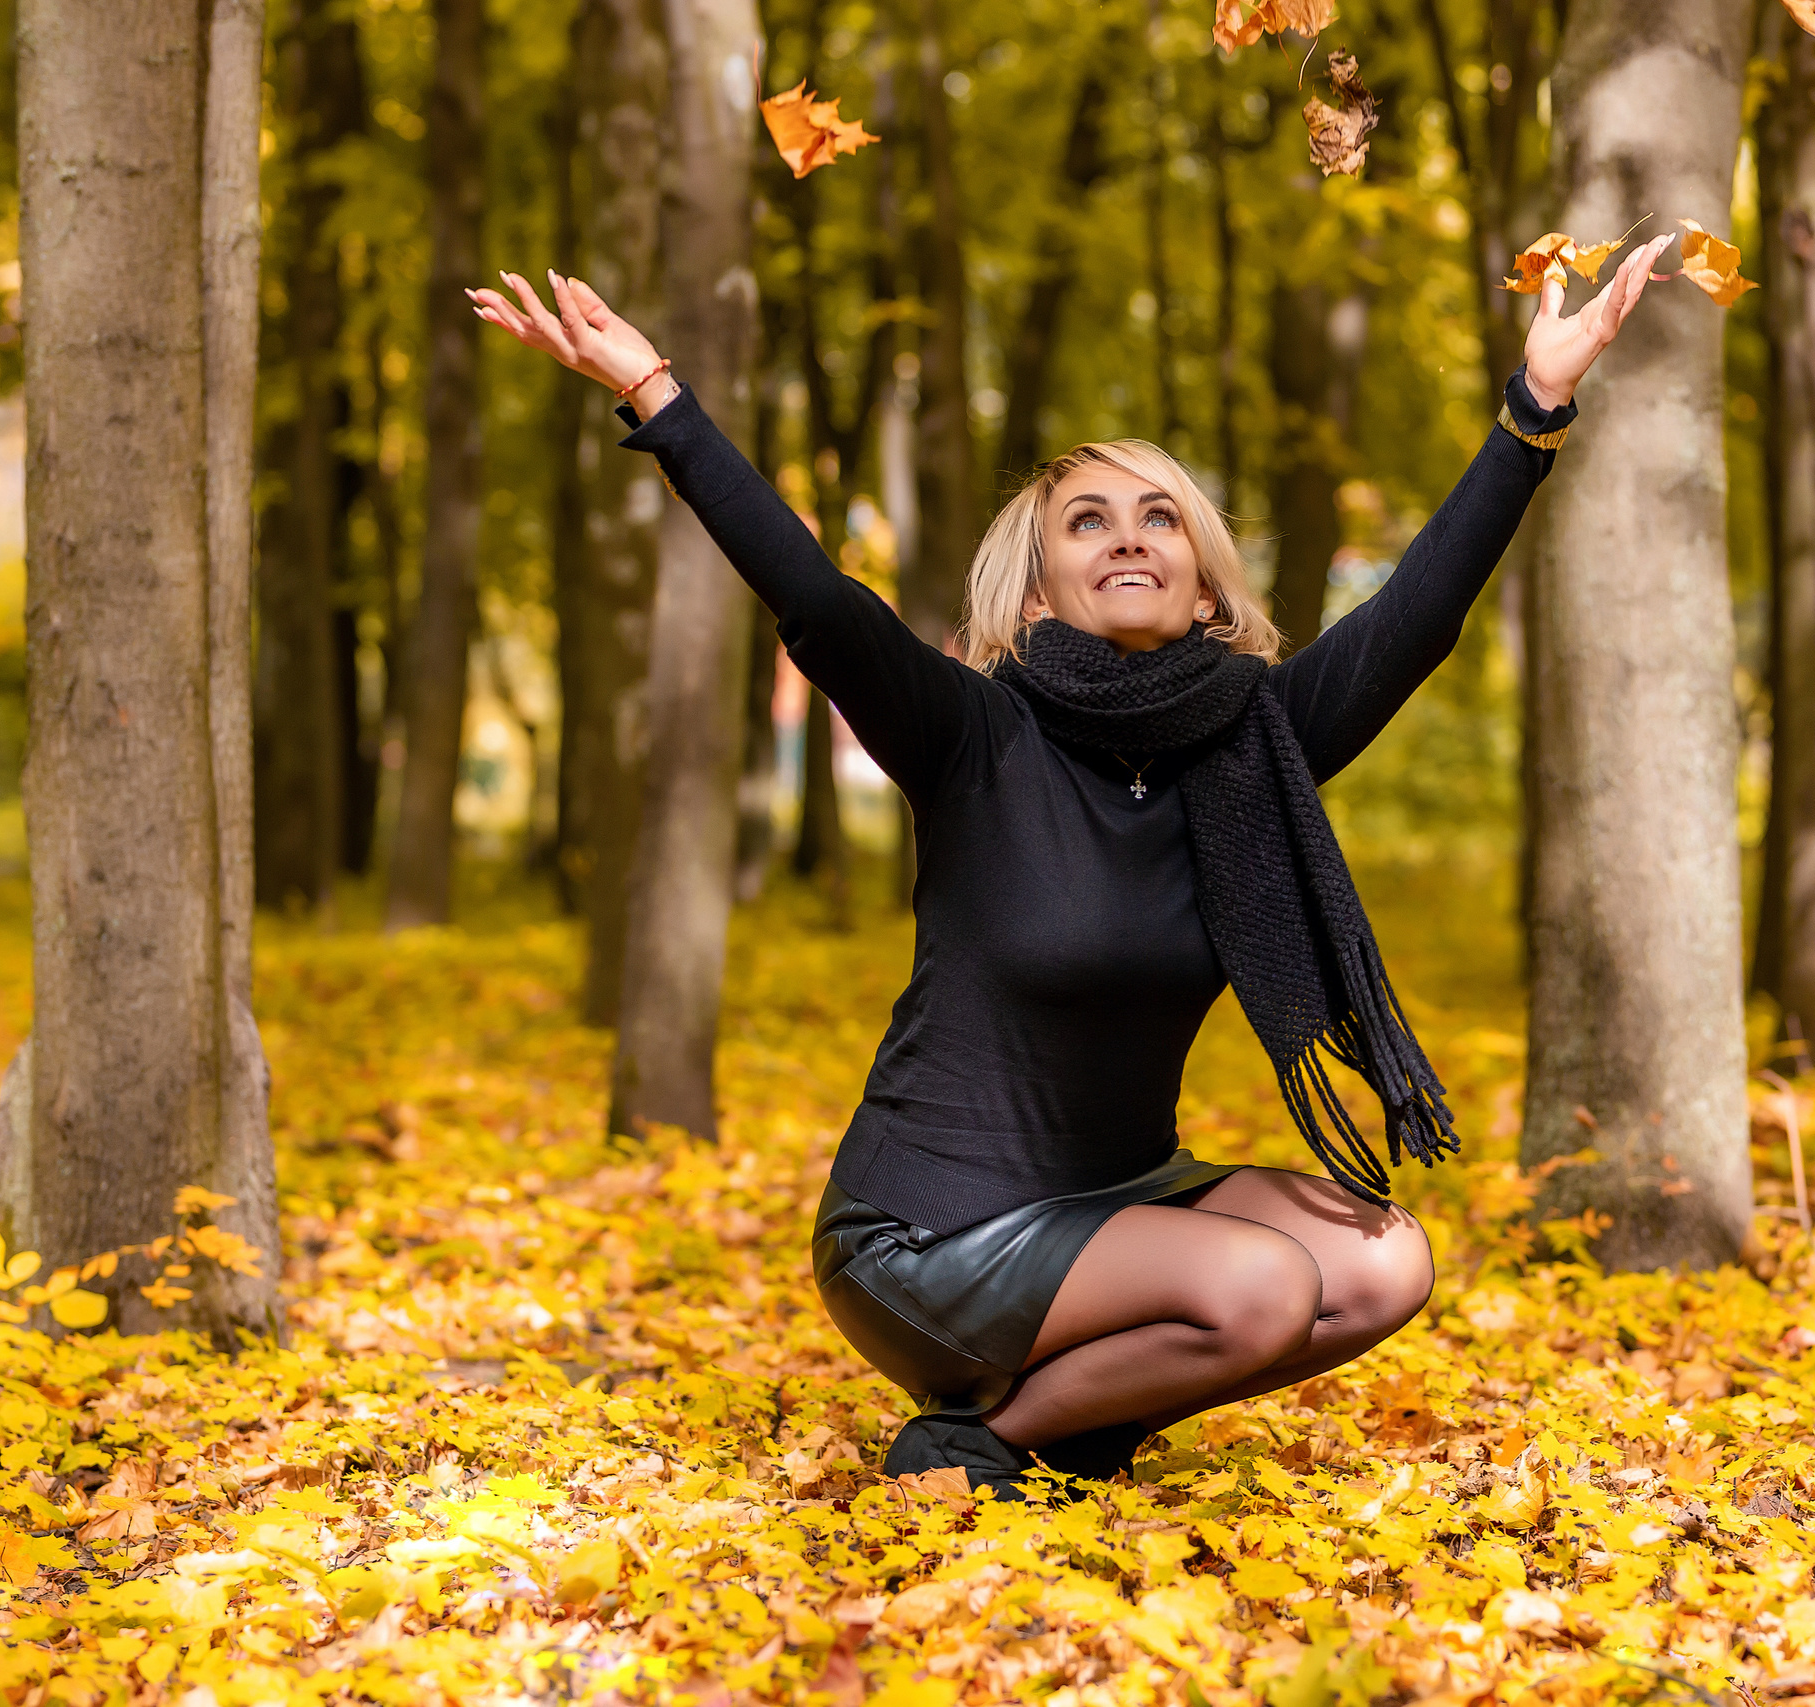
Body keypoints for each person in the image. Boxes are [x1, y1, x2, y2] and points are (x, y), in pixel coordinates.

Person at [468, 233, 1668, 1496]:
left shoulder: (1253, 748)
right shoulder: (977, 738)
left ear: (1206, 587)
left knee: (1385, 1265)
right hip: (928, 1233)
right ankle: (983, 1437)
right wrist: (658, 396)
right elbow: (819, 604)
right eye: (1086, 522)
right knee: (1263, 1288)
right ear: (1037, 596)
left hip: (1121, 1203)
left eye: (1160, 516)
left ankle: (1044, 1426)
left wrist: (1535, 408)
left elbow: (1413, 618)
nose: (1127, 536)